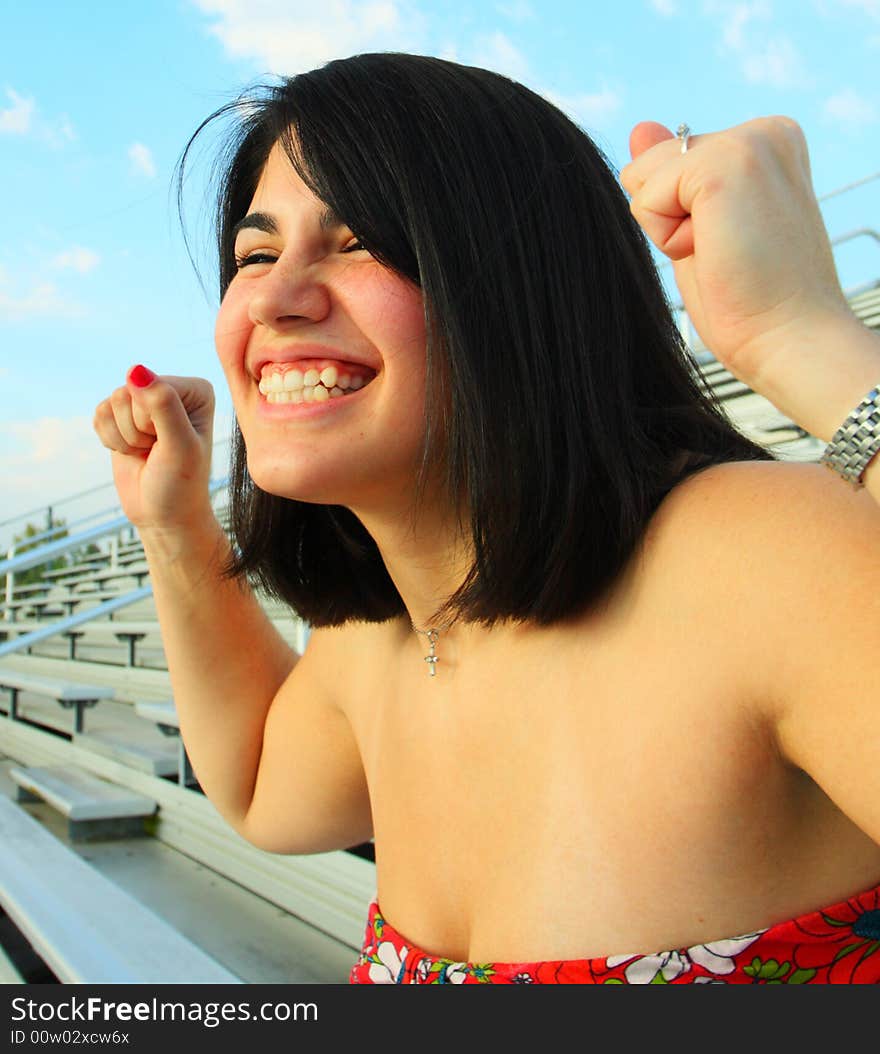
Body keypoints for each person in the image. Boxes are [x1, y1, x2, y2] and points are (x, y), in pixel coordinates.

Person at [93, 53, 880, 984]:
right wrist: (175, 526)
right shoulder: (382, 636)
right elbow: (266, 788)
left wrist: (802, 337)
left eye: (357, 243)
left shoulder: (762, 556)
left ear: (523, 284)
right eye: (255, 256)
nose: (270, 296)